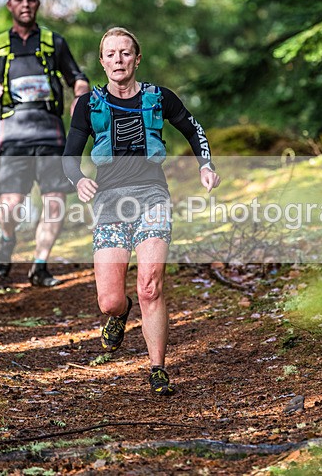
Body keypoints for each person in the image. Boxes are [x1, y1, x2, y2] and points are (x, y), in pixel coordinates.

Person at [63, 27, 220, 396]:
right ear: (102, 62)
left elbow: (193, 129)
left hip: (152, 197)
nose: (118, 60)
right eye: (111, 54)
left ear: (137, 58)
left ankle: (157, 368)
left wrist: (205, 166)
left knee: (150, 285)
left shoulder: (158, 97)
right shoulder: (89, 104)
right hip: (109, 204)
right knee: (110, 300)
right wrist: (78, 180)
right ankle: (120, 314)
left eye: (125, 53)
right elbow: (69, 156)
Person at [0, 0, 89, 286]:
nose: (26, 4)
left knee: (55, 201)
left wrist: (81, 94)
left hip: (51, 133)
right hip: (12, 135)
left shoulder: (54, 41)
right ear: (10, 5)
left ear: (38, 4)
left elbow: (77, 77)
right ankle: (7, 238)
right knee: (9, 206)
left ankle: (40, 265)